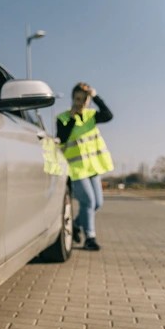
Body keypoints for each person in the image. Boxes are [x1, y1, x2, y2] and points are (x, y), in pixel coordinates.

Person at [56, 82, 113, 251]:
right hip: (76, 169)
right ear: (73, 99)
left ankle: (75, 225)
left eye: (84, 99)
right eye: (77, 99)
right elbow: (63, 138)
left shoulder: (91, 116)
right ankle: (90, 238)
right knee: (88, 201)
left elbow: (109, 115)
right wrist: (73, 118)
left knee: (97, 204)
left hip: (93, 168)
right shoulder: (63, 118)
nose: (80, 102)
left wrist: (95, 96)